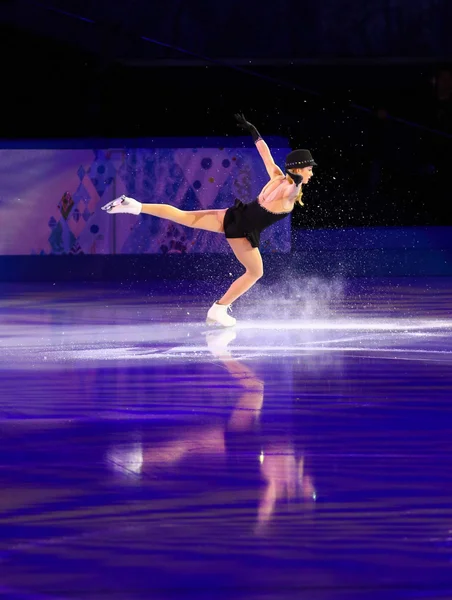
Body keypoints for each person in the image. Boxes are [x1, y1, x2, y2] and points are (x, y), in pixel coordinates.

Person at [101, 114, 317, 327]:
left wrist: (254, 132)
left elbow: (266, 155)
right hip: (242, 230)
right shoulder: (288, 189)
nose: (312, 174)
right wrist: (297, 181)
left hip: (232, 215)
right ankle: (219, 309)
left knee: (183, 216)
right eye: (309, 169)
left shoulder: (276, 177)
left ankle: (134, 205)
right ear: (298, 170)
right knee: (255, 272)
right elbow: (292, 190)